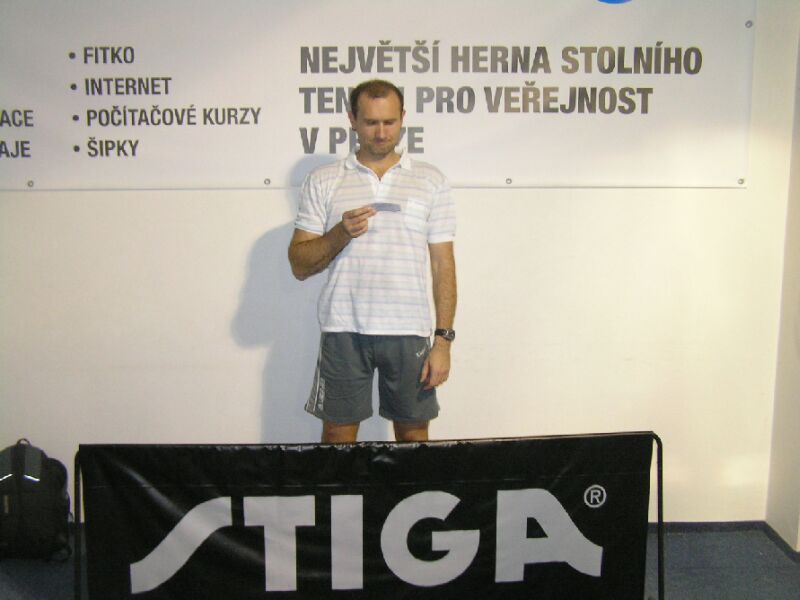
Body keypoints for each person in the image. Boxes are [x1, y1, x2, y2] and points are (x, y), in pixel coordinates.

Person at [288, 79, 457, 443]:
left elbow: (443, 265)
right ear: (352, 120)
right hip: (344, 327)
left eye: (389, 122)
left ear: (403, 118)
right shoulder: (324, 180)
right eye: (371, 122)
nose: (381, 133)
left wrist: (443, 342)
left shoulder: (431, 180)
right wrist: (340, 233)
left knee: (414, 435)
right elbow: (299, 265)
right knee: (337, 434)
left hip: (409, 328)